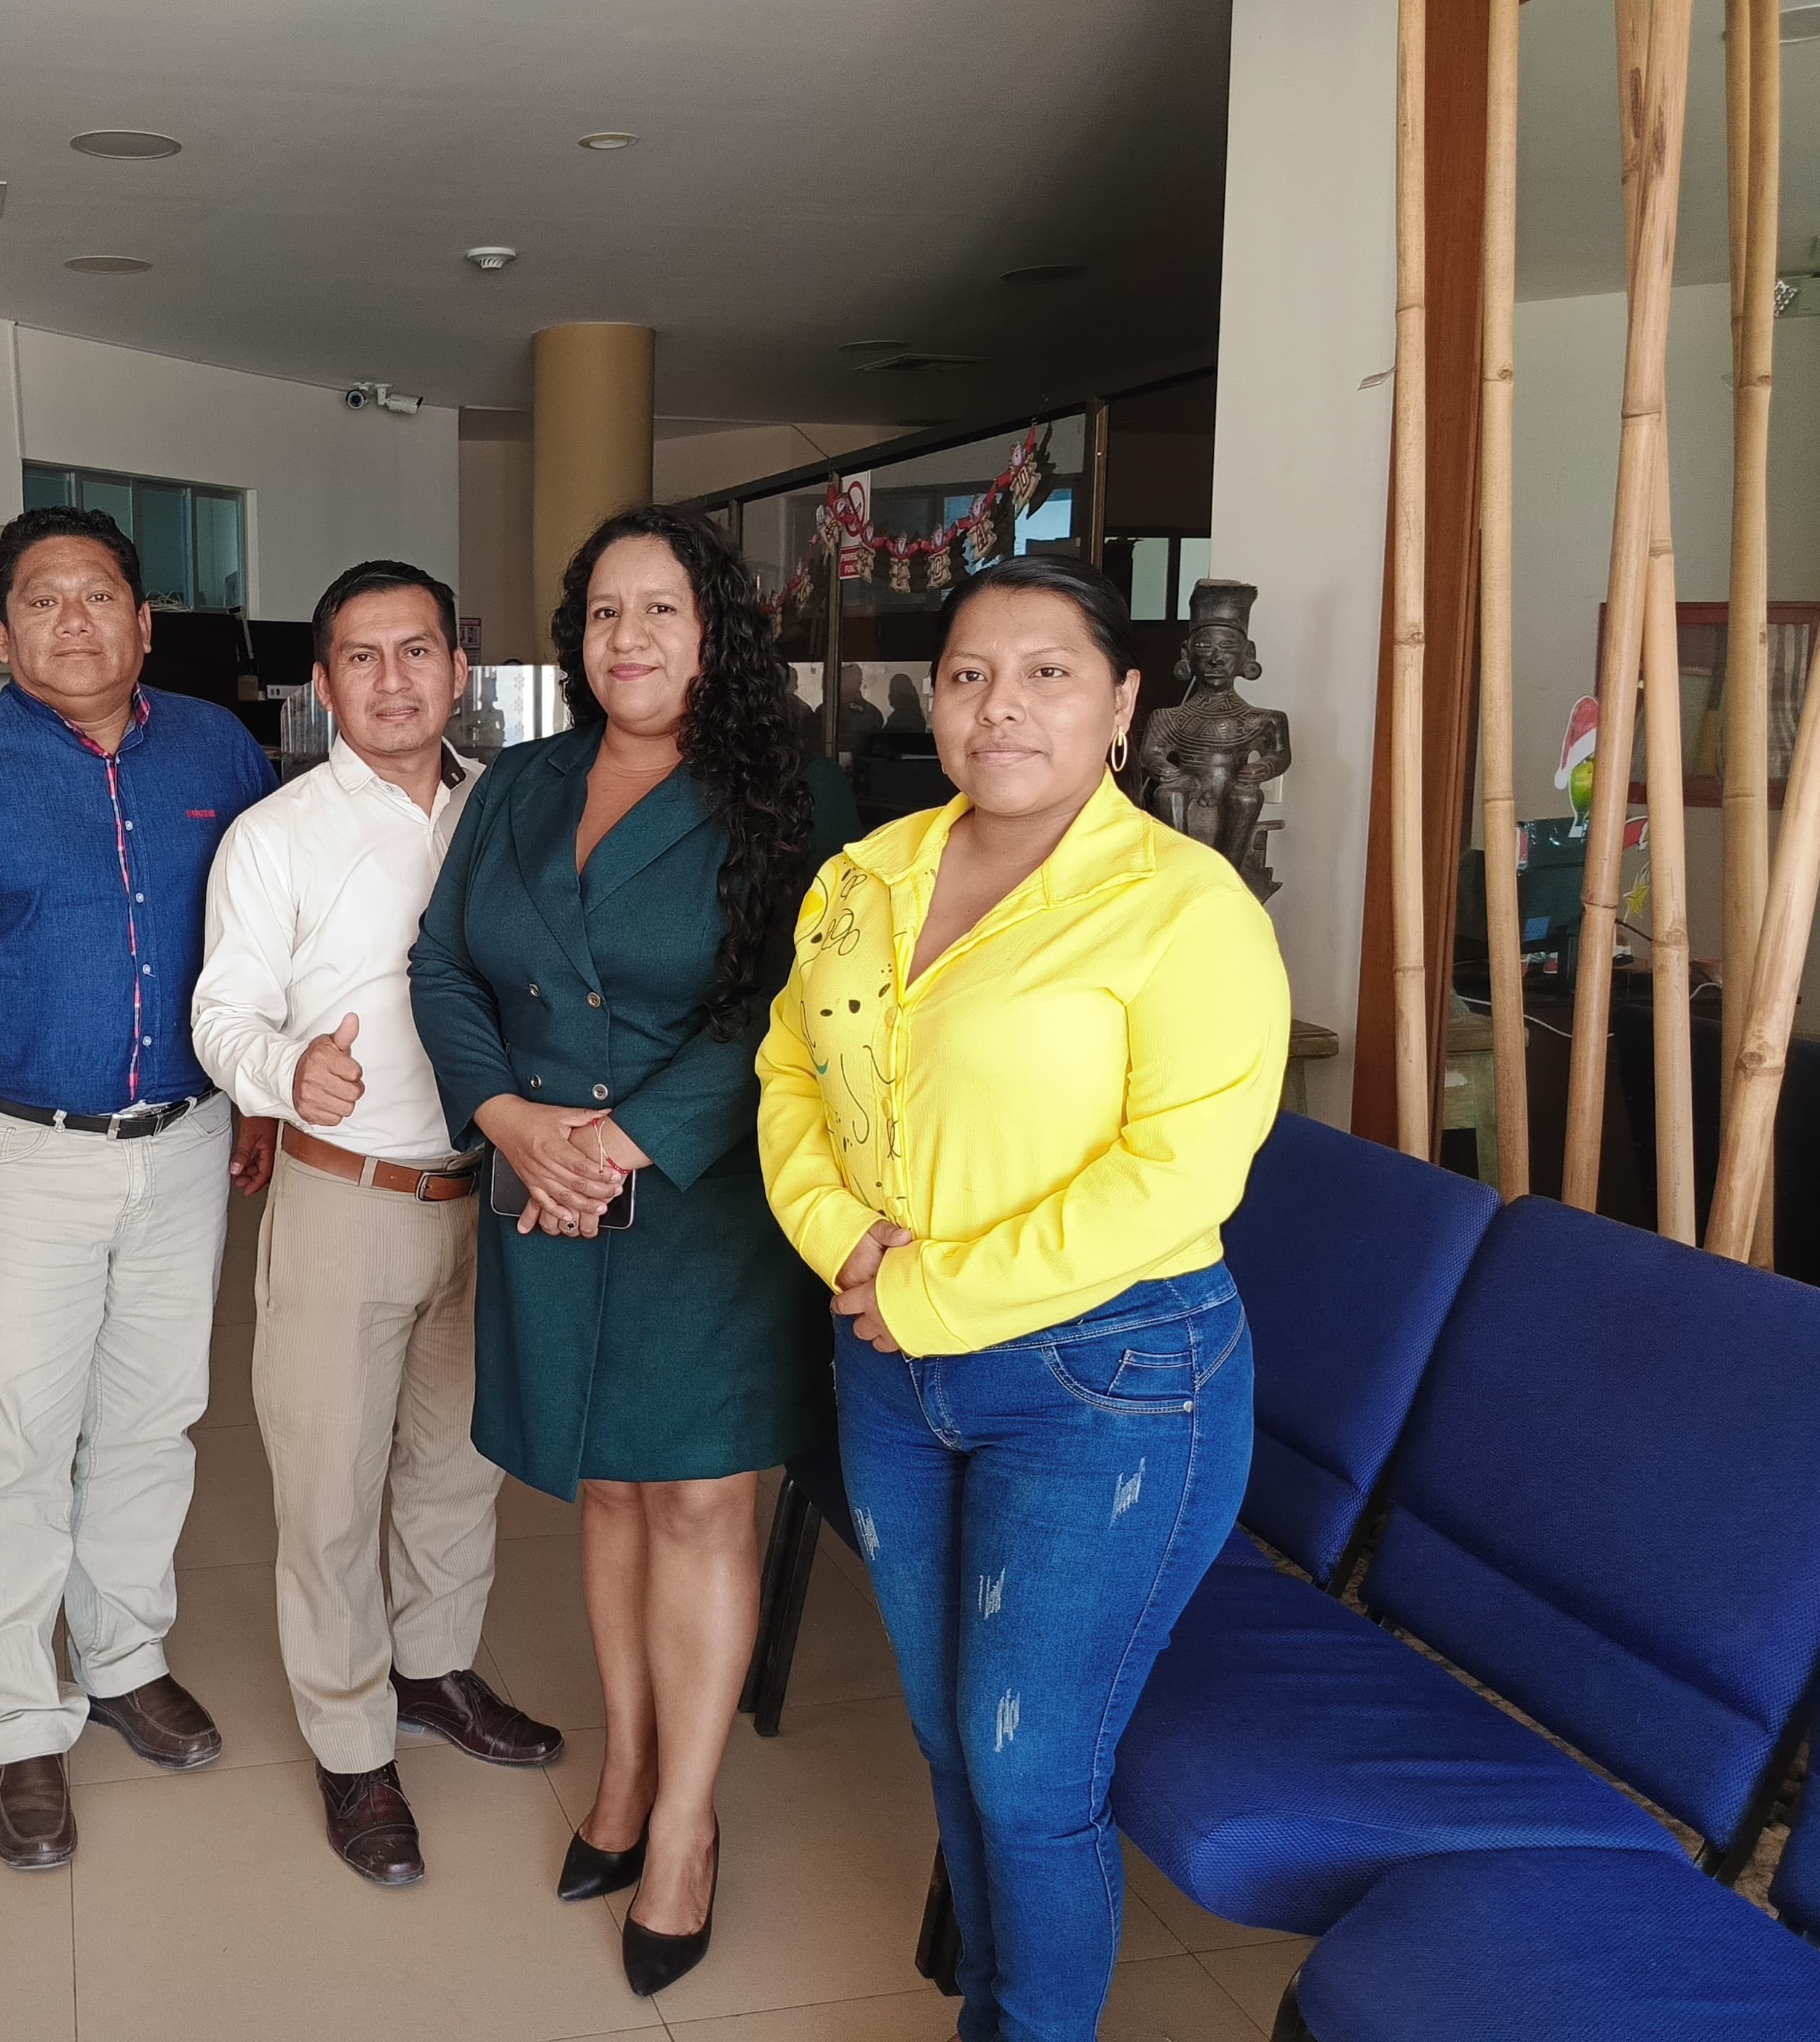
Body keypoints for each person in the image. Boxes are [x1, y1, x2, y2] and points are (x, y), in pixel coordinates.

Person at [755, 554, 1287, 2042]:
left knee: (1028, 1770)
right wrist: (842, 1243)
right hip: (889, 1358)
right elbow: (791, 1069)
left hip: (1106, 1381)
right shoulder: (864, 877)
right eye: (969, 675)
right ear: (933, 703)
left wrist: (930, 1294)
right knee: (948, 1738)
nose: (1001, 706)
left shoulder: (1184, 906)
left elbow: (1178, 1173)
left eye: (1047, 672)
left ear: (1120, 704)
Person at [410, 503, 830, 1999]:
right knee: (604, 1484)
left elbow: (793, 1003)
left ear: (715, 634)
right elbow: (441, 965)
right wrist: (509, 1120)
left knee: (699, 1501)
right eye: (602, 613)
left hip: (699, 1199)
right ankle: (630, 1765)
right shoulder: (521, 783)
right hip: (541, 1181)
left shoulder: (787, 789)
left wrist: (623, 1141)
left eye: (660, 610)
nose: (628, 638)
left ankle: (687, 1827)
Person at [0, 504, 275, 1872]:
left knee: (155, 1418)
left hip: (188, 1138)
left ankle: (126, 1653)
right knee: (14, 1444)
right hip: (19, 1153)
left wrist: (258, 1100)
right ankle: (23, 1717)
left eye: (98, 596)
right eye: (42, 600)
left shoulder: (218, 749)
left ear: (144, 624)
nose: (72, 620)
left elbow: (265, 941)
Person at [191, 560, 563, 1888]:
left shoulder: (511, 813)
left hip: (492, 1193)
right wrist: (288, 1071)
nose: (393, 679)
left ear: (458, 670)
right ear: (323, 681)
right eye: (362, 656)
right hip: (346, 1196)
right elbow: (220, 1013)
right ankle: (351, 1743)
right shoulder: (276, 835)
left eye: (417, 651)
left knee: (460, 1466)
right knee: (330, 1486)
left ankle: (434, 1671)